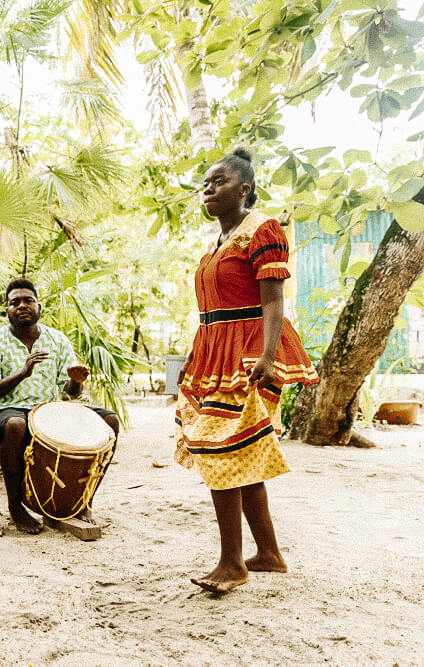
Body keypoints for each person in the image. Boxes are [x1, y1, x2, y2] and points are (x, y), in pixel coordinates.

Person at [176, 146, 318, 594]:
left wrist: (268, 355)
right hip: (214, 352)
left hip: (250, 351)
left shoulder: (262, 229)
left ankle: (231, 563)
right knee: (240, 453)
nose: (208, 189)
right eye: (206, 183)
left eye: (219, 181)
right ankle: (269, 554)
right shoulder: (219, 241)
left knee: (220, 450)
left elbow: (273, 300)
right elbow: (214, 309)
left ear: (245, 188)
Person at [0, 278, 120, 535]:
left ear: (39, 307)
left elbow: (71, 393)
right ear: (6, 310)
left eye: (28, 300)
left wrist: (76, 381)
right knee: (16, 425)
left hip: (51, 413)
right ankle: (16, 508)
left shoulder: (57, 340)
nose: (21, 306)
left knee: (109, 422)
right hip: (7, 411)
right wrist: (22, 373)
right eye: (14, 302)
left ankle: (83, 501)